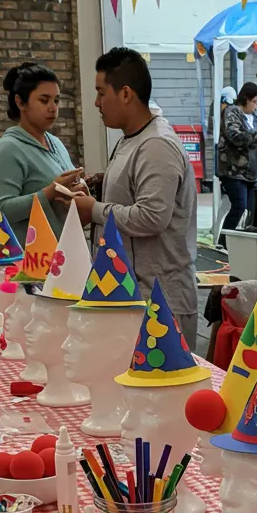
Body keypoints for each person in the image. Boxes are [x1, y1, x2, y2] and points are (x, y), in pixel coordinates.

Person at [77, 47, 199, 348]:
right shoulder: (129, 140)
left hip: (160, 299)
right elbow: (130, 193)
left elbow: (152, 216)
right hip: (131, 292)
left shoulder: (156, 145)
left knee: (161, 391)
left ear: (126, 94)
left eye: (101, 92)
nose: (96, 103)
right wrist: (96, 188)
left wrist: (94, 210)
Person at [0, 61, 85, 246]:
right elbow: (2, 211)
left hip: (64, 253)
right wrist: (50, 191)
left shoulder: (55, 143)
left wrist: (79, 189)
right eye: (44, 100)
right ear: (20, 102)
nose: (53, 108)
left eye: (56, 100)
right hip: (31, 263)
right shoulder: (9, 149)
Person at [218, 82, 257, 238]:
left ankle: (238, 241)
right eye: (255, 102)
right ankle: (223, 241)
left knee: (249, 211)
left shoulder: (256, 119)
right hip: (233, 170)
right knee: (239, 206)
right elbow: (235, 136)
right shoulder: (232, 112)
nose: (256, 106)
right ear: (246, 99)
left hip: (252, 173)